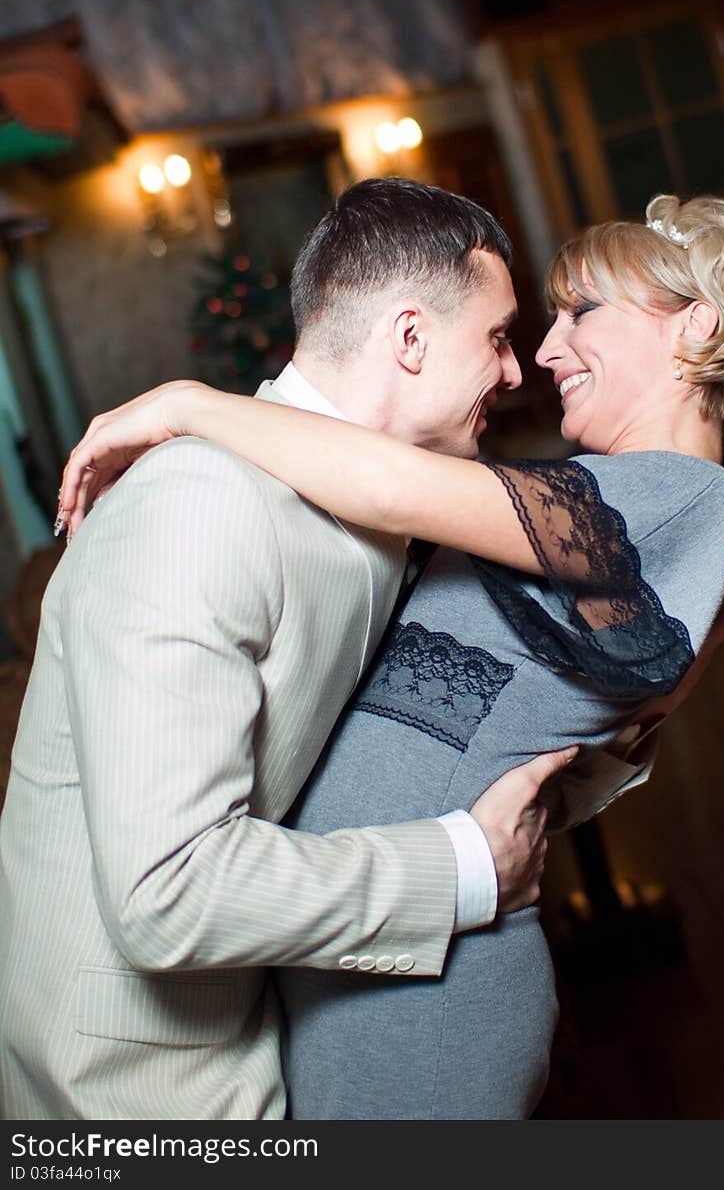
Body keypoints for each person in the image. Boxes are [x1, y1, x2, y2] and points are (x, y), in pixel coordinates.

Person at [59, 190, 724, 1120]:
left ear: (694, 328)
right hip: (357, 963)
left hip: (431, 996)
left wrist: (187, 403)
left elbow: (386, 485)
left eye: (583, 313)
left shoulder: (692, 500)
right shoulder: (604, 500)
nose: (543, 354)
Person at [0, 179, 581, 1121]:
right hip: (129, 1092)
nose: (517, 372)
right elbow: (167, 891)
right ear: (409, 339)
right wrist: (469, 865)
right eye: (499, 336)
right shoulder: (201, 507)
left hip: (262, 1032)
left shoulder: (385, 511)